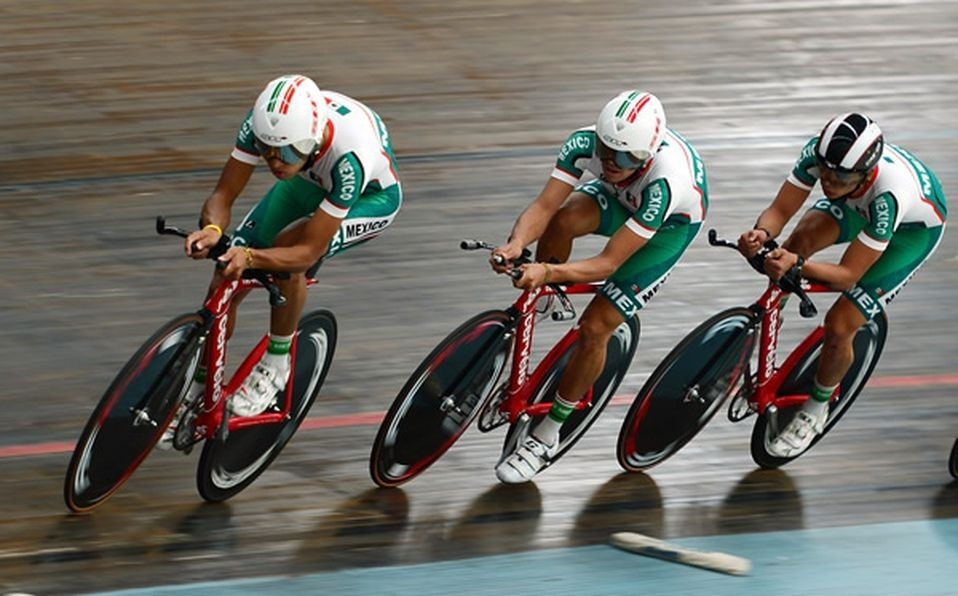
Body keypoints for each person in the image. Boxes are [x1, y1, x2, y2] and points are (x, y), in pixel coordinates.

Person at [159, 74, 401, 447]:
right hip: (307, 179)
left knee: (287, 254)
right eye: (267, 150)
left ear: (313, 137)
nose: (274, 160)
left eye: (286, 151)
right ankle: (199, 388)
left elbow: (306, 251)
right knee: (225, 271)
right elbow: (223, 195)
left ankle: (277, 362)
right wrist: (211, 229)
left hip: (369, 198)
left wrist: (253, 255)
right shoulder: (267, 130)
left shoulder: (349, 160)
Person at [491, 90, 709, 483]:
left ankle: (548, 435)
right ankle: (549, 299)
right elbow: (543, 208)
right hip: (622, 196)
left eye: (624, 157)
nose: (610, 162)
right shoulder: (585, 143)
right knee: (562, 219)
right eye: (606, 150)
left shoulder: (666, 184)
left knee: (595, 327)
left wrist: (547, 272)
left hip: (665, 229)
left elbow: (609, 263)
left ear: (646, 154)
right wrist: (518, 245)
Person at [738, 113, 947, 457]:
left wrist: (799, 266)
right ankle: (770, 324)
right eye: (825, 171)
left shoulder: (887, 197)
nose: (829, 181)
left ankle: (818, 407)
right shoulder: (821, 158)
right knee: (797, 240)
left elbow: (848, 275)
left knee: (840, 323)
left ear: (865, 172)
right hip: (856, 204)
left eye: (841, 176)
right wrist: (762, 234)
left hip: (910, 233)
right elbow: (779, 209)